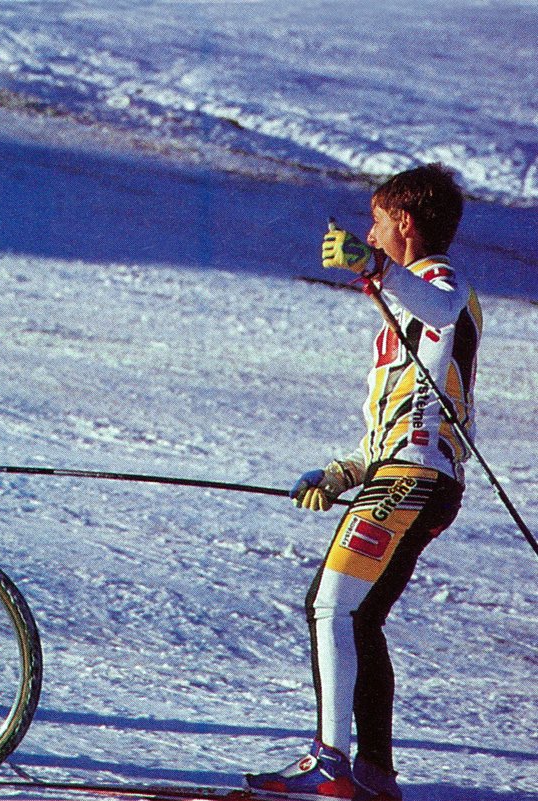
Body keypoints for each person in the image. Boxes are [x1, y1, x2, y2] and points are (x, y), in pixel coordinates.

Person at [245, 164, 480, 801]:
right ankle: (374, 772)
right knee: (357, 615)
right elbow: (394, 425)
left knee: (330, 604)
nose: (369, 236)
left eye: (376, 223)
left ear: (404, 222)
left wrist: (374, 270)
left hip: (415, 478)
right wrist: (341, 472)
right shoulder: (400, 305)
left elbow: (441, 305)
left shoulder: (440, 283)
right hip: (402, 473)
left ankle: (331, 764)